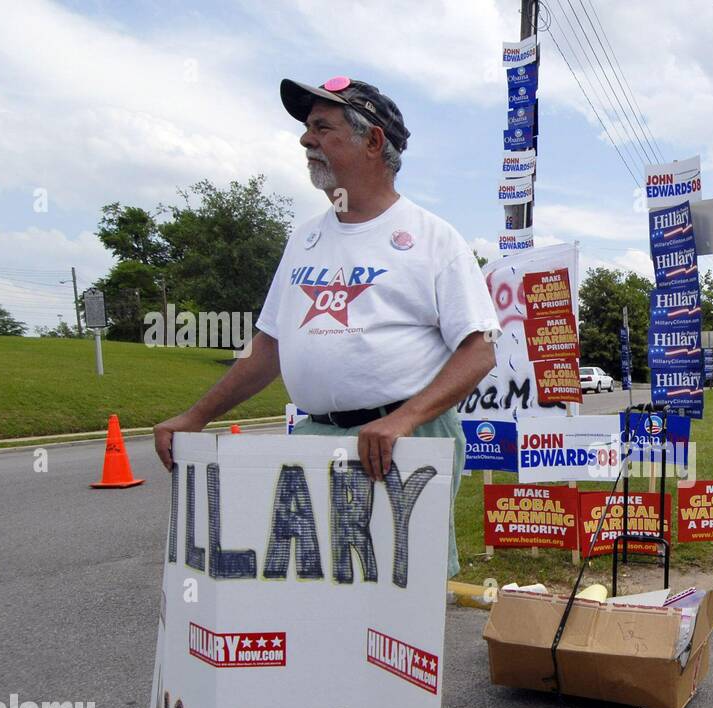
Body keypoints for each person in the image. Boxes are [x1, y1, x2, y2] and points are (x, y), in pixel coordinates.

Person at [154, 76, 499, 577]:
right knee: (313, 596)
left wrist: (403, 418)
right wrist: (195, 416)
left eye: (322, 126)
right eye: (306, 127)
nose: (305, 139)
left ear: (373, 141)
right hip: (314, 439)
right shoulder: (305, 239)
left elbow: (480, 348)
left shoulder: (431, 238)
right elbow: (268, 346)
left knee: (402, 598)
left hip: (402, 440)